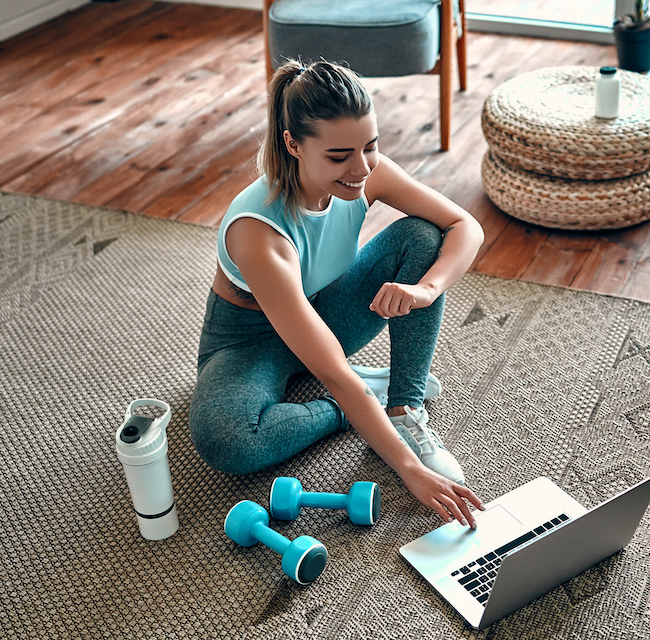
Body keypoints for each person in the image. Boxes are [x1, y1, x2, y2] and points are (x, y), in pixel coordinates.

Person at [190, 60, 486, 528]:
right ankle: (355, 406)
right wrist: (408, 471)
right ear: (293, 144)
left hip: (322, 309)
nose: (361, 168)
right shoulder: (258, 232)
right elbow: (331, 370)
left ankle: (403, 403)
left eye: (370, 147)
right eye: (339, 156)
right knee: (228, 439)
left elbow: (463, 225)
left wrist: (427, 289)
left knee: (423, 238)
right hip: (247, 339)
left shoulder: (367, 173)